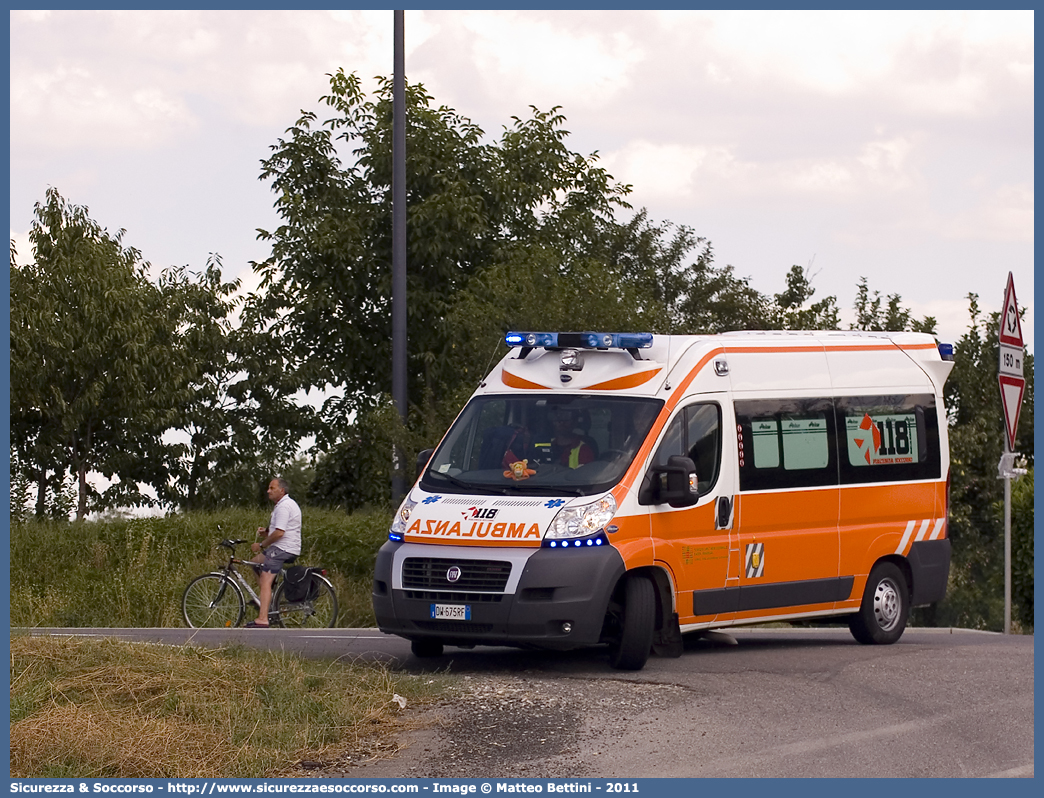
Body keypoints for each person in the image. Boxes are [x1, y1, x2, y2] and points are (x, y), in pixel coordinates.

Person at [245, 477, 302, 628]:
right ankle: (265, 600)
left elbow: (279, 534)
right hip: (285, 546)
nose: (268, 491)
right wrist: (266, 532)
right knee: (255, 562)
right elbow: (278, 529)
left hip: (283, 548)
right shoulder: (283, 505)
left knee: (265, 579)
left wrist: (261, 544)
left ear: (281, 491)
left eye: (272, 488)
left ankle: (263, 618)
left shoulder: (284, 507)